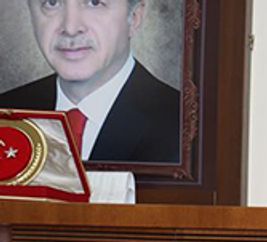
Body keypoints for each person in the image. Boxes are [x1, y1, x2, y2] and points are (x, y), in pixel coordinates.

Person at [0, 0, 180, 163]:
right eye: (52, 3)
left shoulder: (184, 128)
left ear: (134, 18)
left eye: (94, 3)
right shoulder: (6, 113)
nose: (70, 28)